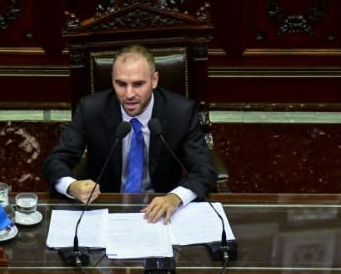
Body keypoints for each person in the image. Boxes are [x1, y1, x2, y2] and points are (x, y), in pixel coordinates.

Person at [43, 44, 217, 223]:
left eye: (138, 84)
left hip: (161, 208)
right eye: (121, 84)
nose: (129, 94)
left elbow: (204, 170)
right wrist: (72, 186)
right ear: (112, 81)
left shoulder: (181, 112)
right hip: (104, 207)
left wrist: (175, 197)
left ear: (154, 80)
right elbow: (55, 162)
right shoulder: (91, 109)